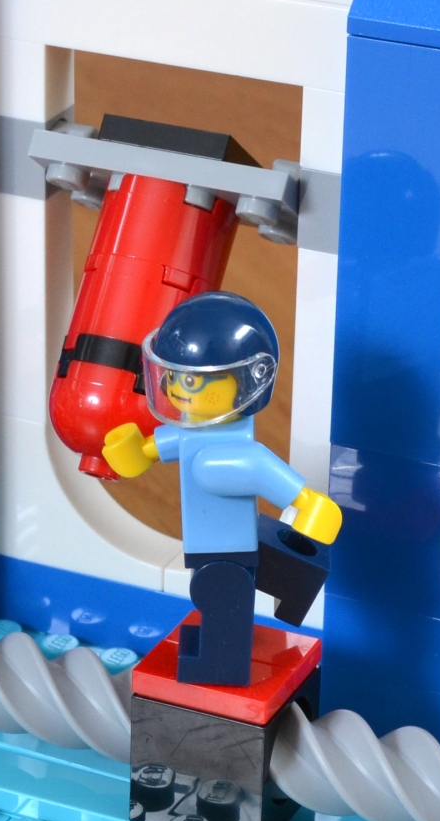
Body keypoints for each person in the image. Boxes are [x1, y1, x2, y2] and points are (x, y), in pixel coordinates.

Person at [101, 292, 340, 685]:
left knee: (218, 599)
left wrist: (312, 506)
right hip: (209, 545)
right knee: (213, 600)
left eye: (192, 381)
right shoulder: (198, 432)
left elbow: (281, 483)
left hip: (228, 552)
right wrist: (137, 453)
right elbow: (166, 445)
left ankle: (218, 667)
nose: (177, 389)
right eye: (173, 376)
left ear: (248, 380)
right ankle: (212, 654)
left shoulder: (235, 455)